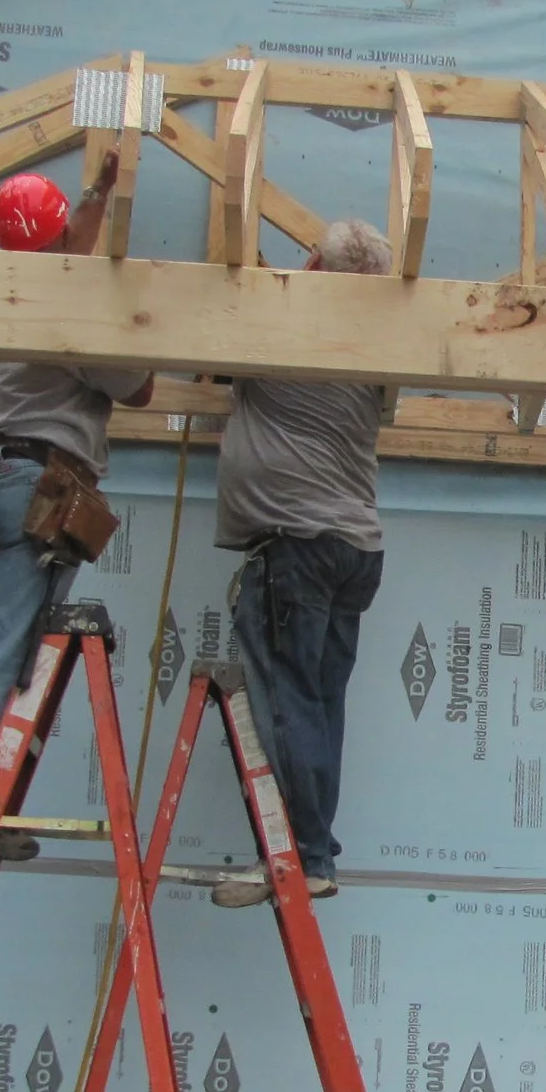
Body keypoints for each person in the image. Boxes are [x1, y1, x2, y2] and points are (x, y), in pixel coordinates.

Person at [0, 160, 155, 862]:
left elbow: (62, 250)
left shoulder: (3, 293)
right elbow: (137, 388)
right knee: (2, 656)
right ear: (53, 247)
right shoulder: (61, 310)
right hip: (38, 493)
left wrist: (97, 196)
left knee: (7, 655)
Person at [209, 218, 391, 909]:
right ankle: (312, 850)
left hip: (299, 547)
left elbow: (214, 350)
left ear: (314, 265)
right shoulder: (369, 351)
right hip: (356, 550)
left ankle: (304, 855)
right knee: (318, 705)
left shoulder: (280, 332)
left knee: (285, 702)